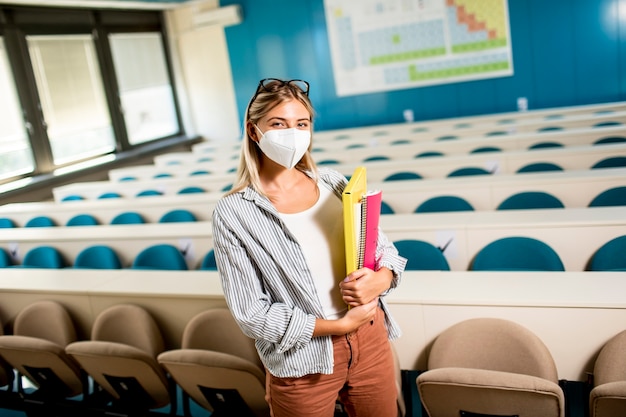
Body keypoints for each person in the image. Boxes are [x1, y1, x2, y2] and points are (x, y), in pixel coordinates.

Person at [211, 78, 407, 417]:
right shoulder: (234, 212)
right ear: (254, 131)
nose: (293, 133)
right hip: (302, 358)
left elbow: (384, 251)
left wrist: (383, 278)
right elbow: (252, 314)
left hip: (370, 339)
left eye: (302, 124)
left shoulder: (335, 183)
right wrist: (338, 327)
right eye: (279, 123)